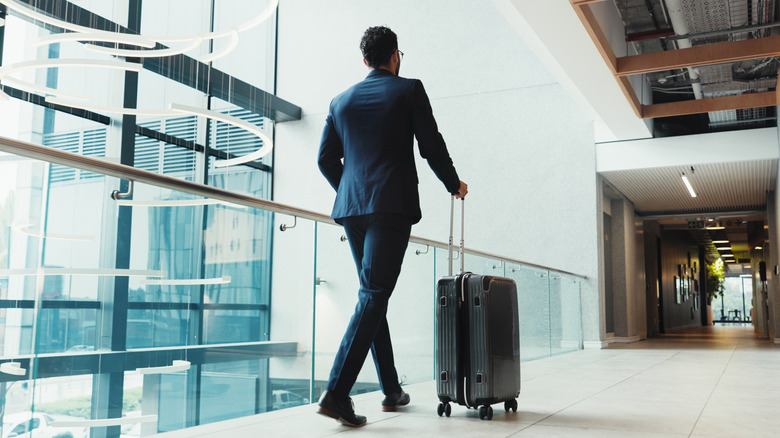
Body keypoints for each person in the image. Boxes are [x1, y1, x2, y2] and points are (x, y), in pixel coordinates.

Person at [316, 25, 468, 427]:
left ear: (365, 59)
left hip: (352, 209)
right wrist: (453, 183)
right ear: (395, 56)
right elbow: (430, 144)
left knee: (372, 294)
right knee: (374, 293)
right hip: (390, 205)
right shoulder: (409, 90)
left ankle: (390, 389)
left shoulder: (340, 101)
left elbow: (325, 160)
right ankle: (336, 392)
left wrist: (351, 190)